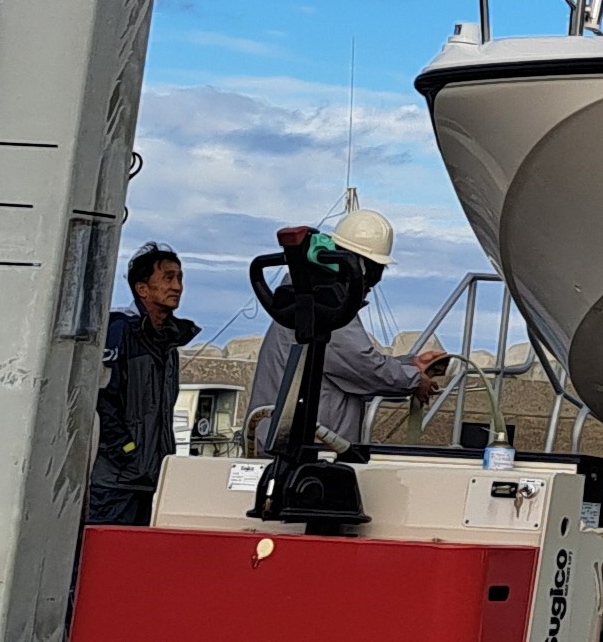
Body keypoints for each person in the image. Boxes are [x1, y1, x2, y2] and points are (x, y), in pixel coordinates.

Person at [246, 205, 453, 459]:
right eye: (374, 277)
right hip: (308, 451)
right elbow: (362, 367)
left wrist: (411, 364)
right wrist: (414, 379)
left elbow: (344, 366)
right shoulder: (323, 302)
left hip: (288, 445)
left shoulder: (301, 294)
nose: (371, 288)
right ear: (363, 270)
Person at [85, 242, 196, 526]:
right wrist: (126, 451)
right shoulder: (119, 331)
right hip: (115, 482)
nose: (177, 286)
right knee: (104, 559)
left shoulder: (168, 342)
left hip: (154, 480)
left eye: (180, 278)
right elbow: (100, 399)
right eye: (168, 278)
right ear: (142, 289)